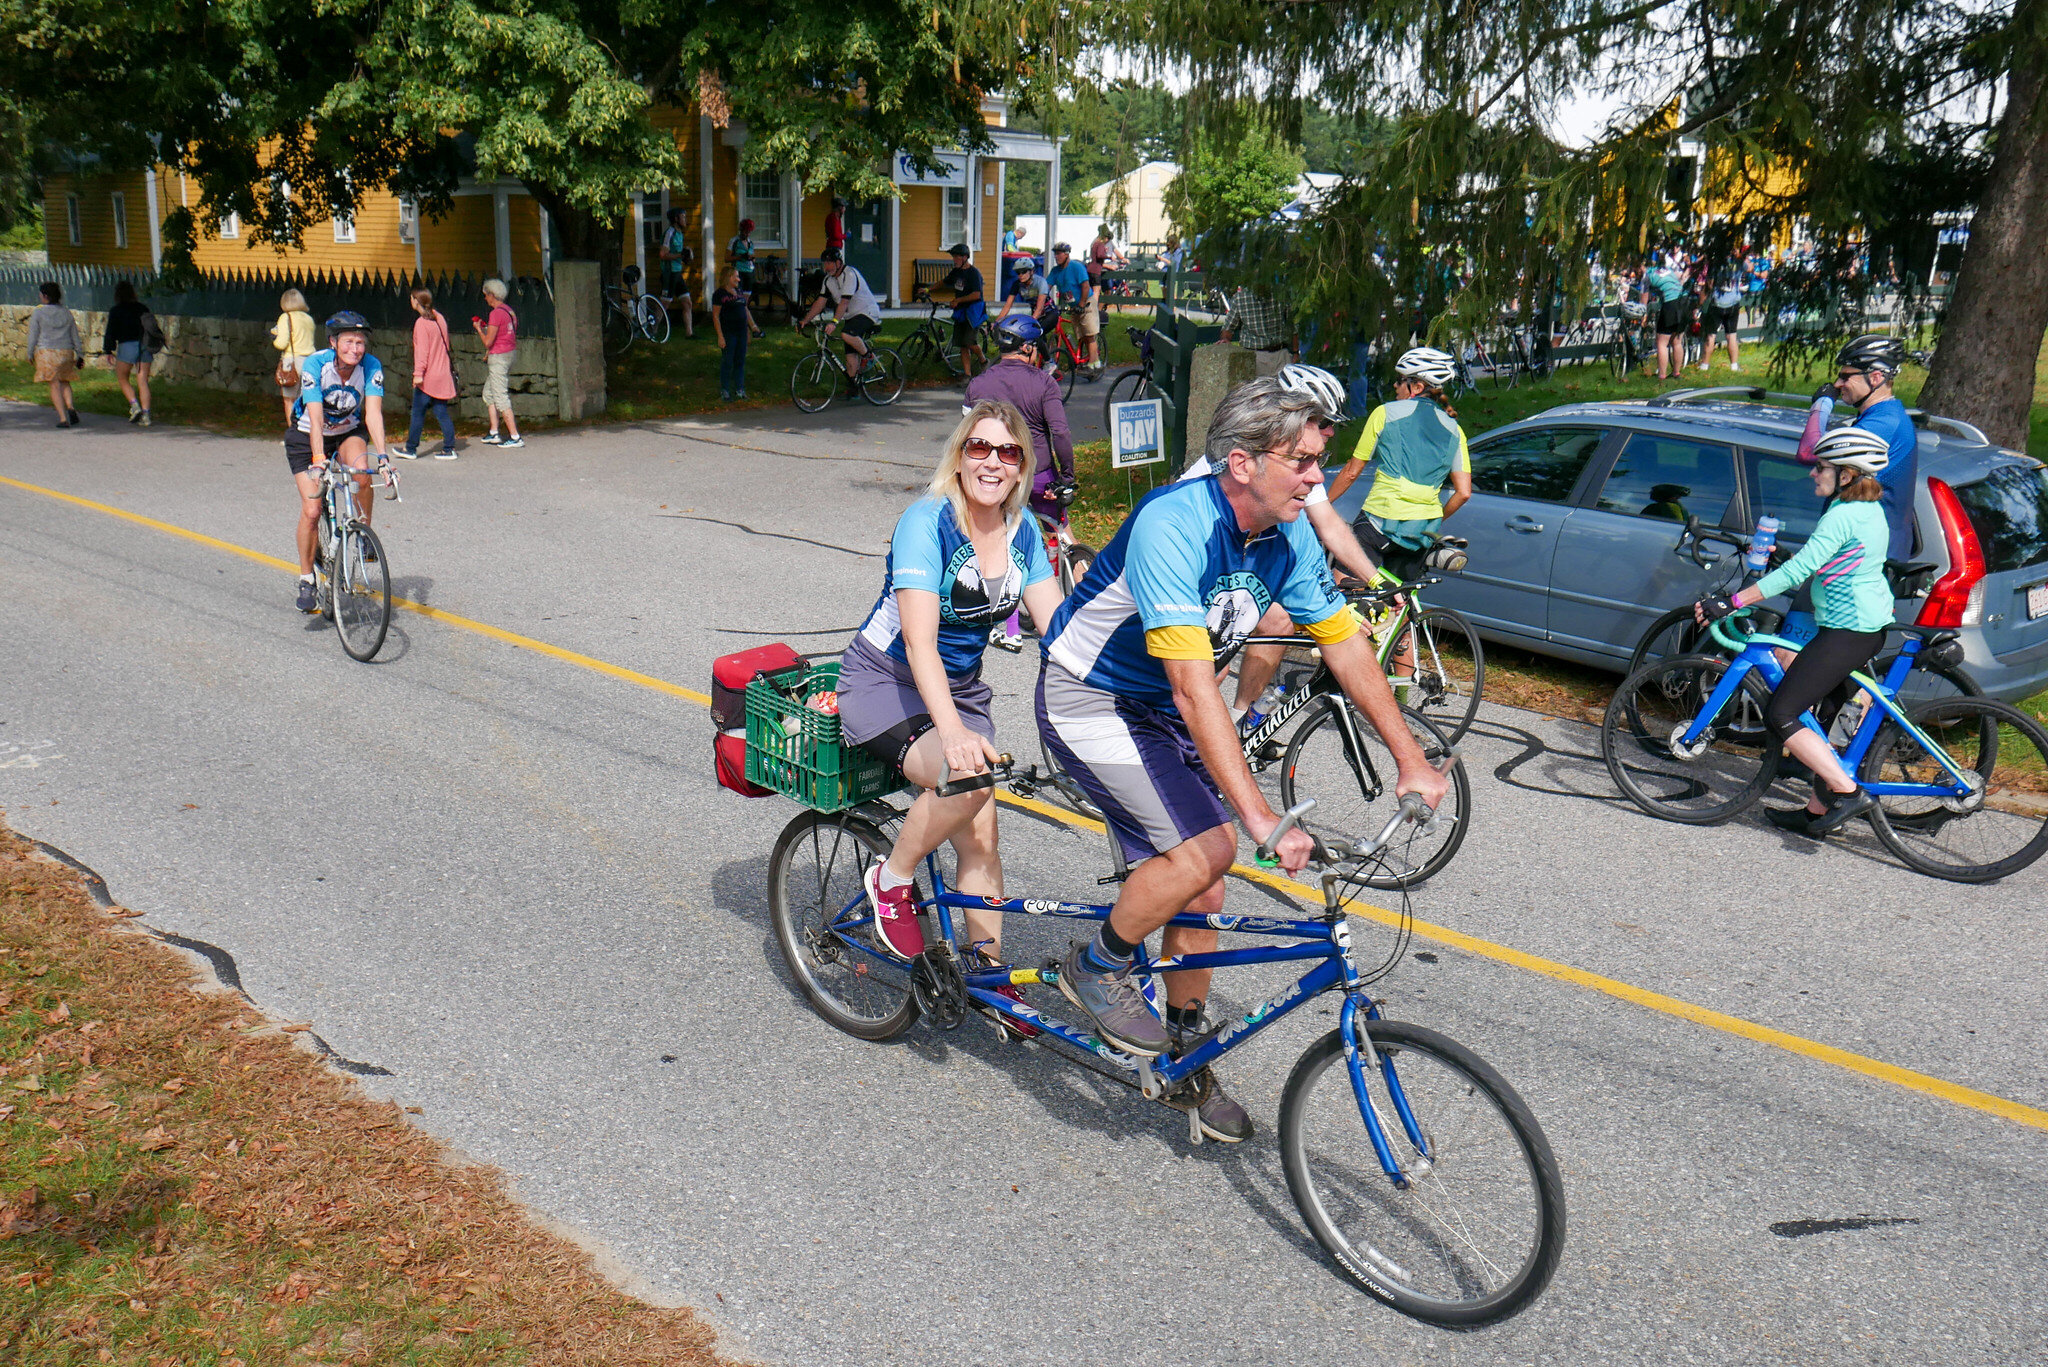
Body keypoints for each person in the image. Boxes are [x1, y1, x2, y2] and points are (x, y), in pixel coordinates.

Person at [1037, 377, 1450, 1141]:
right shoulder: (1174, 524)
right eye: (1301, 461)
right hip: (1091, 698)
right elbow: (1197, 691)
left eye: (1319, 459)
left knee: (1204, 889)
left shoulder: (1286, 532)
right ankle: (1095, 967)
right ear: (1240, 463)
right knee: (1210, 847)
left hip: (1159, 708)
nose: (1317, 478)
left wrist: (1411, 755)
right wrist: (1258, 816)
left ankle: (1184, 1056)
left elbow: (1344, 642)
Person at [839, 401, 1065, 1030]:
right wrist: (956, 735)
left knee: (983, 833)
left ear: (1022, 466)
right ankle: (894, 876)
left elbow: (1060, 631)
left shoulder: (1023, 533)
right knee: (966, 780)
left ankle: (990, 974)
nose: (992, 462)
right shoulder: (926, 522)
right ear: (960, 455)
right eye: (979, 448)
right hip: (884, 681)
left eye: (1008, 452)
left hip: (958, 689)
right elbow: (917, 643)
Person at [1693, 427, 1897, 836]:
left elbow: (1799, 573)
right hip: (1864, 626)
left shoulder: (1842, 514)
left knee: (1782, 712)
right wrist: (1784, 557)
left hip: (1848, 630)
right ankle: (1817, 814)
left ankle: (1847, 792)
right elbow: (1827, 561)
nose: (1812, 473)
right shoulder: (1865, 510)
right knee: (1824, 718)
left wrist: (1732, 602)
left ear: (1846, 474)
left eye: (1821, 466)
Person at [1175, 365, 1381, 731]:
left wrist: (1375, 579)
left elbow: (1330, 525)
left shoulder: (1298, 464)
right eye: (1323, 420)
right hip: (1203, 561)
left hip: (1243, 562)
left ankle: (1242, 720)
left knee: (1278, 619)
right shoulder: (1249, 460)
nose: (1331, 430)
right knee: (1205, 673)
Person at [1776, 334, 1922, 652]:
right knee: (1828, 668)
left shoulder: (1883, 424)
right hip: (1855, 553)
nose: (1838, 383)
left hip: (1857, 561)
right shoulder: (1876, 418)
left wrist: (1821, 404)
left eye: (1845, 376)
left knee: (1790, 652)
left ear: (1876, 377)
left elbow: (1809, 452)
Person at [964, 314, 1074, 646]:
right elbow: (1061, 433)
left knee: (1001, 542)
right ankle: (1081, 606)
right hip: (1038, 475)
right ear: (1027, 347)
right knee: (1061, 530)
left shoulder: (978, 384)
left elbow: (966, 437)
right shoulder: (1043, 382)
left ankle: (1006, 624)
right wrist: (1066, 475)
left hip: (996, 477)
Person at [287, 312, 390, 612]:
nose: (356, 349)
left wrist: (383, 457)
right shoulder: (315, 365)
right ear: (333, 342)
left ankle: (363, 532)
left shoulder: (371, 367)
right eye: (349, 342)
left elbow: (372, 414)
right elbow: (316, 416)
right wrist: (319, 459)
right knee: (312, 509)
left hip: (347, 431)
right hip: (307, 436)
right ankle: (307, 578)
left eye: (360, 343)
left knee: (362, 473)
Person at [793, 247, 882, 382]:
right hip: (851, 316)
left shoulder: (850, 275)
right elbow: (820, 302)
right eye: (825, 264)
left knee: (847, 334)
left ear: (839, 263)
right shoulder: (828, 280)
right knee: (850, 358)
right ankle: (854, 389)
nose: (827, 267)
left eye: (830, 263)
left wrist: (834, 322)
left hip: (867, 311)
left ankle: (869, 357)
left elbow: (844, 302)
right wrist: (805, 320)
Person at [400, 287, 458, 460]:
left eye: (412, 298)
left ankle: (410, 448)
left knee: (418, 413)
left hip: (428, 377)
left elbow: (422, 352)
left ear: (416, 301)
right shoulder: (439, 318)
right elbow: (446, 345)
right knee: (441, 412)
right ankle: (449, 448)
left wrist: (418, 374)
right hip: (443, 374)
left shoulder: (421, 323)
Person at [473, 278, 524, 449]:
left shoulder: (495, 313)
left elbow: (488, 341)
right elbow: (505, 334)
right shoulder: (509, 311)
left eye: (486, 295)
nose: (485, 298)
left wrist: (479, 329)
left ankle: (515, 436)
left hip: (499, 358)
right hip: (509, 353)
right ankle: (494, 432)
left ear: (492, 295)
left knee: (500, 395)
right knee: (489, 393)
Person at [26, 281, 81, 428]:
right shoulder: (66, 312)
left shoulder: (38, 312)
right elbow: (74, 334)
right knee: (65, 380)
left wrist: (30, 353)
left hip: (47, 352)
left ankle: (63, 418)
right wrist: (79, 353)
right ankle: (70, 407)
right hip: (66, 351)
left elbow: (33, 335)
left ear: (45, 296)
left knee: (54, 384)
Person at [101, 279, 156, 426]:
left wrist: (108, 350)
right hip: (143, 345)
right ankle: (146, 415)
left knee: (122, 377)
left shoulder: (116, 310)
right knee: (142, 381)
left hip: (126, 346)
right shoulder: (142, 308)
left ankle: (134, 405)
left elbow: (110, 332)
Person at [1043, 243, 1097, 380]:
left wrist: (1081, 304)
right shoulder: (1055, 271)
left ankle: (1094, 364)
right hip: (1072, 305)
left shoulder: (1076, 267)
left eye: (1059, 253)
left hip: (1086, 302)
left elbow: (1085, 286)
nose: (1056, 256)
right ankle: (1079, 359)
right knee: (1080, 335)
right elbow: (1046, 288)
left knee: (1089, 333)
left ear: (1067, 254)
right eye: (1055, 253)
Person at [711, 265, 760, 401]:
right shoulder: (719, 294)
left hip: (741, 332)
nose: (738, 279)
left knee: (740, 361)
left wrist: (752, 327)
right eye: (736, 276)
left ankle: (740, 389)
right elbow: (716, 316)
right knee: (727, 361)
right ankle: (725, 390)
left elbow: (745, 310)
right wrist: (720, 336)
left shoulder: (738, 291)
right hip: (728, 332)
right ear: (728, 277)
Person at [1638, 258, 1688, 381]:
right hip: (1683, 302)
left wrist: (1642, 316)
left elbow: (1643, 302)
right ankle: (1676, 373)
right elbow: (1680, 279)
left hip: (1670, 304)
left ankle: (1662, 376)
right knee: (1676, 341)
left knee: (1661, 342)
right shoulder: (1668, 270)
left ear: (1642, 267)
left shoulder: (1647, 275)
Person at [942, 242, 986, 380]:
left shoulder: (974, 273)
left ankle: (983, 360)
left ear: (965, 257)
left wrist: (958, 300)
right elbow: (944, 282)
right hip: (960, 312)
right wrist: (927, 290)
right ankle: (967, 374)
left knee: (970, 342)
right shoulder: (956, 272)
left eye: (956, 257)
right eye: (953, 257)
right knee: (962, 344)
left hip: (973, 312)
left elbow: (977, 294)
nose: (954, 259)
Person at [272, 288, 315, 425]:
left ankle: (293, 435)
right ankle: (308, 431)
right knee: (306, 399)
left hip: (292, 361)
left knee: (289, 399)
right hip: (310, 360)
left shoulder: (286, 317)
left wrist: (274, 338)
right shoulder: (308, 319)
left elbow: (282, 342)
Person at [1219, 286, 1291, 359]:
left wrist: (1295, 352)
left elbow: (1293, 325)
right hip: (1253, 355)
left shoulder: (1281, 294)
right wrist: (1225, 340)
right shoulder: (1240, 298)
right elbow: (1228, 328)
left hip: (1280, 353)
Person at [1701, 258, 1746, 372]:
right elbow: (1749, 268)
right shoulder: (1738, 263)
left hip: (1717, 303)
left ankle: (1705, 365)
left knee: (1711, 335)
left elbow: (1709, 285)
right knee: (1731, 336)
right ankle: (1734, 365)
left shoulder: (1716, 264)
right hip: (1733, 304)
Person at [659, 208, 697, 338]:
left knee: (687, 303)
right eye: (683, 217)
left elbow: (679, 255)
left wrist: (685, 257)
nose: (685, 220)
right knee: (664, 304)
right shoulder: (670, 233)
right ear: (676, 219)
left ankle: (689, 334)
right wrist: (680, 255)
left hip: (677, 272)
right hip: (669, 273)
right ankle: (650, 330)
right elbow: (663, 254)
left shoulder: (680, 234)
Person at [995, 256, 1055, 327]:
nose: (1020, 275)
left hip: (1049, 313)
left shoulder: (1041, 282)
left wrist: (1029, 323)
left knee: (1035, 333)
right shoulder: (1017, 284)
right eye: (1018, 272)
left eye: (1023, 272)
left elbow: (1039, 308)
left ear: (1032, 271)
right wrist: (996, 322)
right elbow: (1007, 306)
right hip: (1035, 313)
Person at [728, 217, 757, 295]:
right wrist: (740, 257)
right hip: (739, 271)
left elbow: (751, 255)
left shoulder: (750, 242)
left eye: (749, 232)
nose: (747, 234)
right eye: (745, 232)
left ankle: (746, 307)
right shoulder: (734, 241)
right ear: (741, 230)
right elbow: (727, 258)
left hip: (749, 271)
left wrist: (752, 258)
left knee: (747, 294)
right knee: (738, 294)